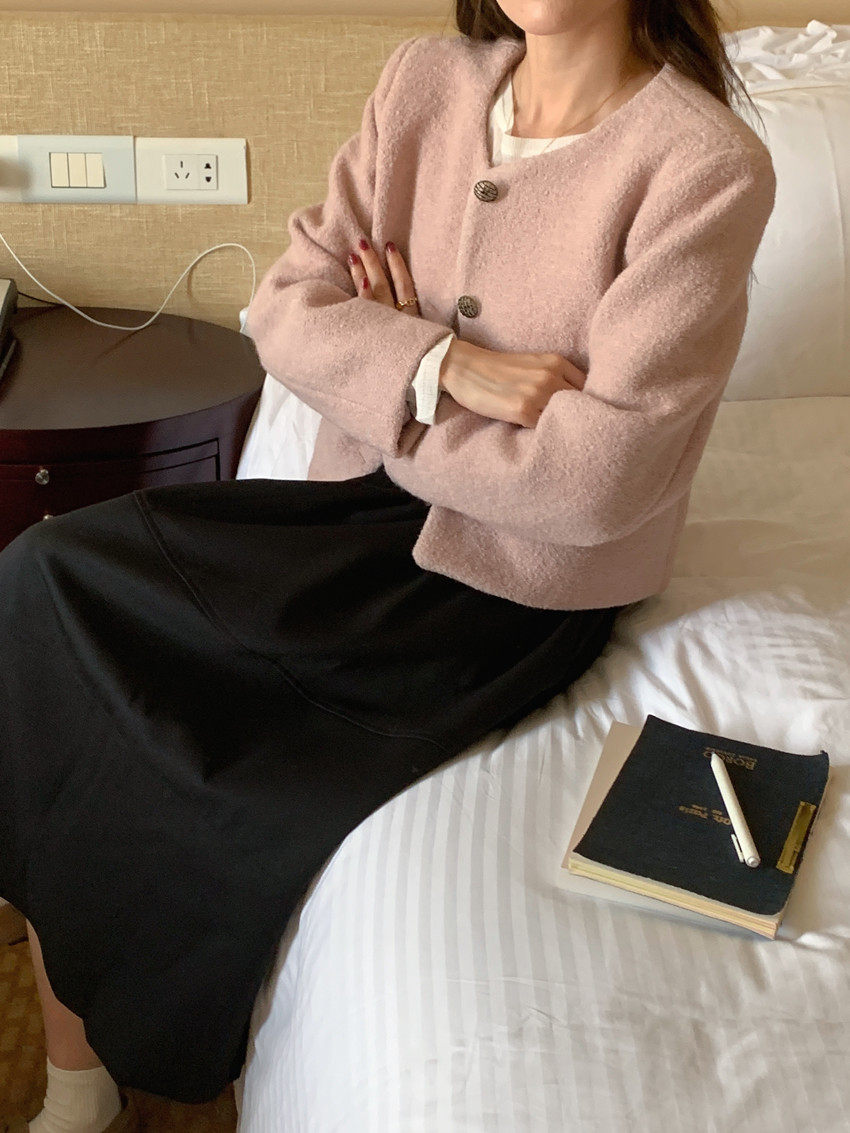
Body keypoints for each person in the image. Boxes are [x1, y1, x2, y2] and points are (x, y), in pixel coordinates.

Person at [0, 0, 776, 1128]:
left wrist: (380, 380)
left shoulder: (703, 163)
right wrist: (447, 365)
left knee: (230, 772)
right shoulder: (427, 84)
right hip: (345, 514)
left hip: (511, 585)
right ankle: (79, 1078)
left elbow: (595, 482)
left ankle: (128, 1059)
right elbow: (282, 310)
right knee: (45, 578)